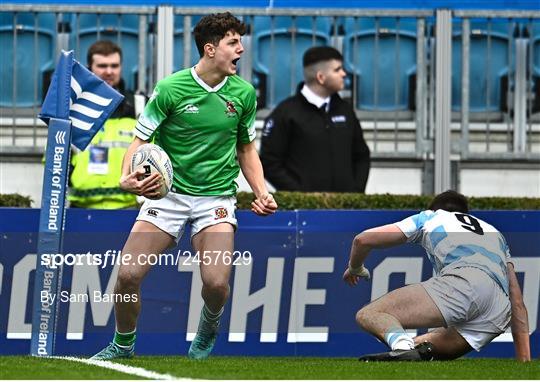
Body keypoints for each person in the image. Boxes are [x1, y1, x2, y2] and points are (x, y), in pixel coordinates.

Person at [91, 12, 277, 360]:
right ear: (210, 49)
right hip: (168, 196)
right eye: (233, 42)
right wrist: (125, 177)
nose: (241, 49)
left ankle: (207, 330)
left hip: (216, 199)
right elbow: (139, 140)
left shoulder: (244, 94)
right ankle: (123, 344)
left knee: (217, 284)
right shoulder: (171, 88)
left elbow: (246, 148)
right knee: (128, 275)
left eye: (241, 41)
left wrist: (261, 191)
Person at [343, 190, 530, 362]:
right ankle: (408, 349)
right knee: (419, 347)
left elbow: (362, 240)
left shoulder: (430, 217)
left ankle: (401, 347)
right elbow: (518, 303)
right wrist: (524, 362)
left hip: (465, 282)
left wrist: (355, 267)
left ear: (433, 208)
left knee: (370, 314)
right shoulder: (495, 233)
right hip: (497, 310)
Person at [260, 46, 370, 192]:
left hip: (345, 209)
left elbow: (361, 155)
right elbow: (269, 162)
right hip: (305, 209)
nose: (344, 74)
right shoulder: (285, 113)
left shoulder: (346, 110)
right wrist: (300, 194)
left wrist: (355, 192)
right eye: (337, 70)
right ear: (321, 77)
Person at [68, 40, 140, 209]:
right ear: (89, 67)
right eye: (102, 66)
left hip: (128, 208)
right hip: (80, 207)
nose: (109, 71)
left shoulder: (140, 105)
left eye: (114, 66)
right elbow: (55, 155)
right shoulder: (73, 107)